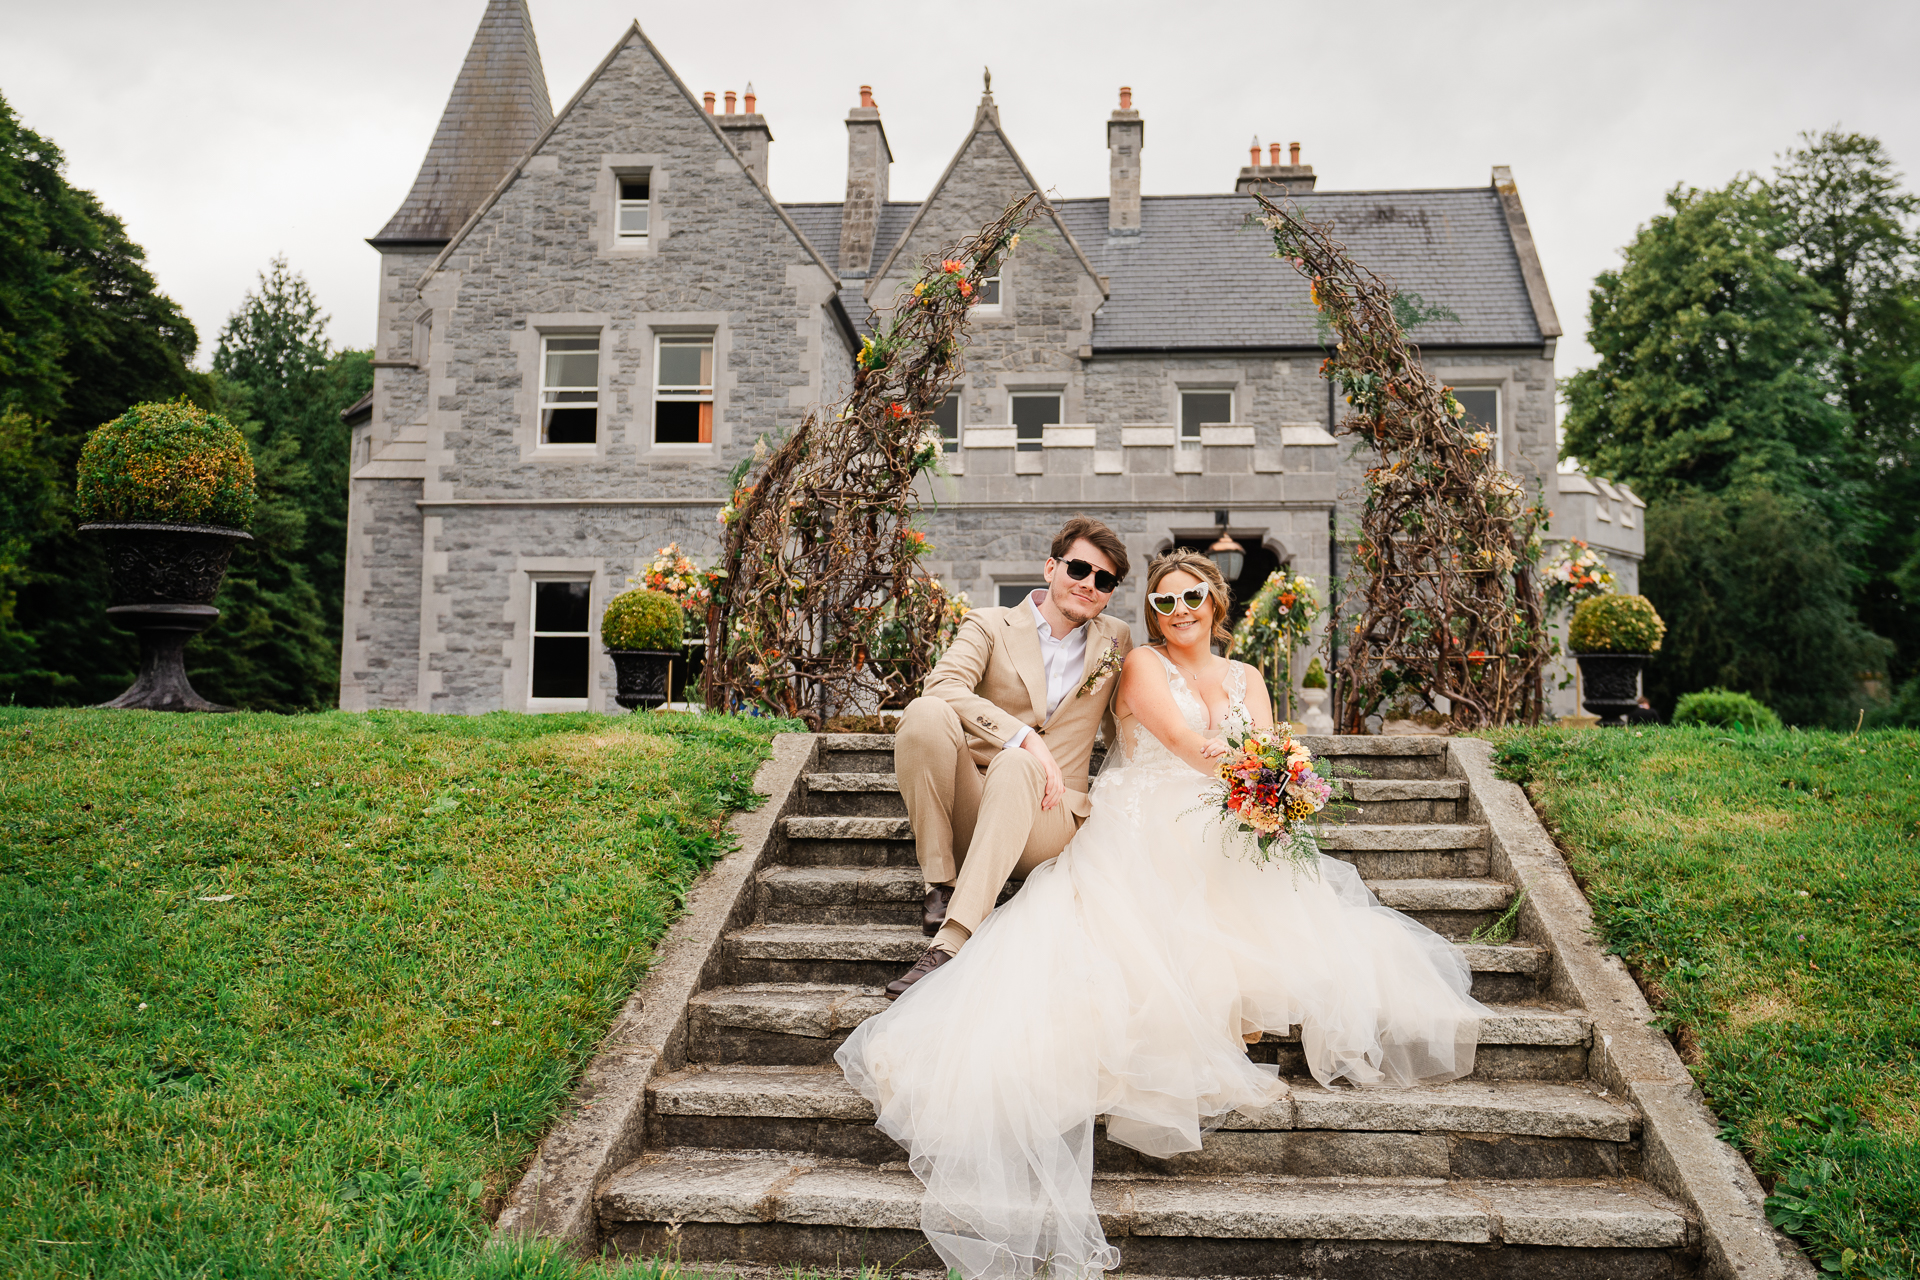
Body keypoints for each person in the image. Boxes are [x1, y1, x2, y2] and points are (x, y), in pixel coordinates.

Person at [838, 549, 1488, 1280]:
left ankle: (1243, 998)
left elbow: (1270, 744)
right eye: (1164, 603)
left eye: (1189, 600)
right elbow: (1181, 744)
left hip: (1220, 806)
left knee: (1256, 869)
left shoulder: (1246, 678)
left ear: (1216, 604)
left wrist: (1283, 790)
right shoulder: (1140, 662)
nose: (1176, 613)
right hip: (1145, 802)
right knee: (1175, 852)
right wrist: (1262, 786)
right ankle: (956, 914)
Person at [884, 515, 1134, 1000]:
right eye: (1079, 569)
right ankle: (940, 884)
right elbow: (944, 684)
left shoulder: (1116, 639)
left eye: (1104, 581)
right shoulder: (990, 623)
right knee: (925, 712)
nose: (1088, 585)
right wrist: (1023, 736)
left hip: (1050, 817)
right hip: (978, 804)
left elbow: (1128, 724)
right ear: (1050, 567)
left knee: (1021, 764)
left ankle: (950, 944)